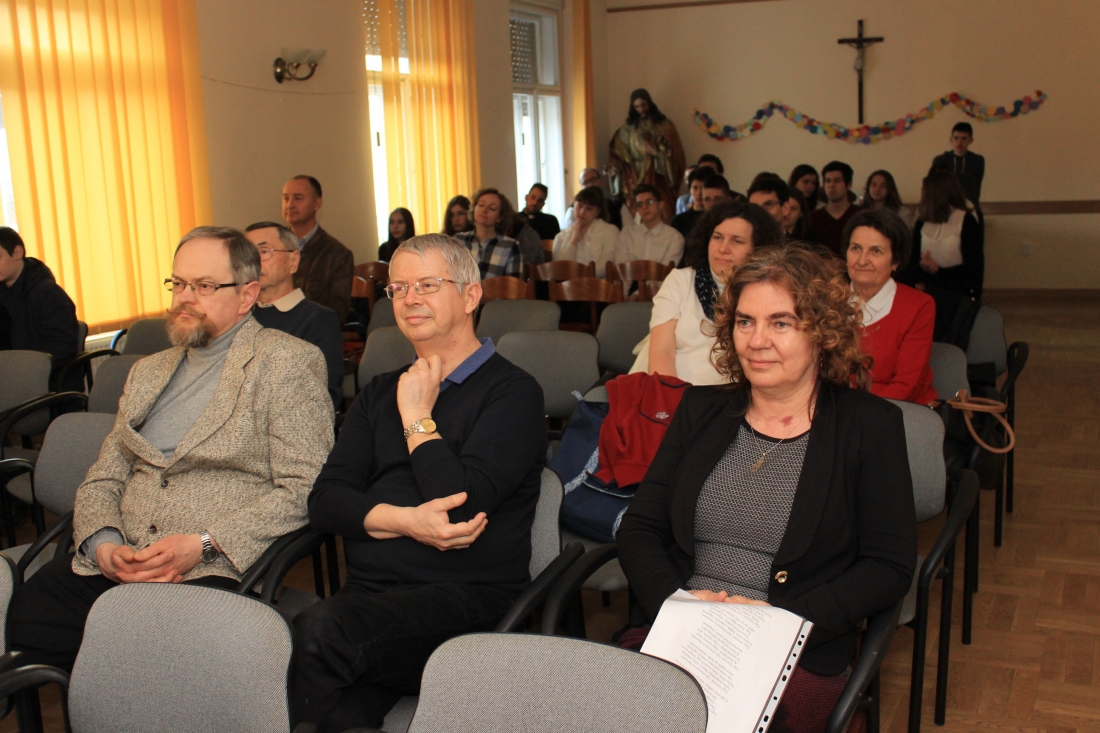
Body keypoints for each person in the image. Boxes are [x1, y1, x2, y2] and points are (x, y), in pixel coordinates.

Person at [618, 243, 917, 733]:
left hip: (792, 646)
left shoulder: (870, 426)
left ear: (821, 332)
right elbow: (640, 528)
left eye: (781, 323)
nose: (757, 341)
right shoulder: (700, 410)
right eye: (745, 321)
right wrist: (679, 607)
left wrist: (775, 622)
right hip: (680, 629)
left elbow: (888, 566)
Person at [7, 226, 334, 672]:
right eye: (178, 283)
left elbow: (306, 488)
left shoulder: (288, 362)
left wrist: (204, 544)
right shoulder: (147, 371)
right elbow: (105, 475)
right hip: (121, 559)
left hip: (206, 568)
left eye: (204, 286)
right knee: (31, 618)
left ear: (247, 294)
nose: (185, 298)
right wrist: (104, 545)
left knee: (144, 657)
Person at [290, 234, 546, 731]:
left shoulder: (513, 392)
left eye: (428, 285)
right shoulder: (379, 391)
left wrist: (416, 417)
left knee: (320, 634)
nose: (410, 299)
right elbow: (325, 501)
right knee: (329, 708)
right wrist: (407, 522)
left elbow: (457, 507)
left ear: (471, 296)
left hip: (468, 601)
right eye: (399, 288)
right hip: (372, 599)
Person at [630, 200, 782, 386]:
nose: (723, 249)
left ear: (757, 248)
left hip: (732, 393)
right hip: (669, 389)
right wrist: (674, 400)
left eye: (737, 241)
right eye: (717, 237)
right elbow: (661, 352)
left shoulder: (766, 290)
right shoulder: (680, 280)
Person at [245, 222, 345, 411]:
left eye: (264, 251)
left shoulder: (319, 320)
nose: (254, 262)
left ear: (293, 261)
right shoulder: (238, 317)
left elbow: (325, 399)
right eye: (248, 254)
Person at [843, 209, 937, 405]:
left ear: (895, 261)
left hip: (902, 412)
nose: (862, 260)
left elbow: (905, 386)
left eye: (876, 251)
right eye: (856, 248)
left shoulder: (918, 306)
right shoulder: (828, 301)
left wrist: (847, 402)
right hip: (837, 411)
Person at [0, 227, 81, 391]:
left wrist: (17, 369)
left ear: (17, 252)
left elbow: (62, 347)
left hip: (46, 384)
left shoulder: (49, 294)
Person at [900, 169, 984, 299]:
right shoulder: (922, 222)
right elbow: (913, 259)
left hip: (956, 291)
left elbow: (974, 267)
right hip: (926, 290)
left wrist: (938, 270)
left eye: (925, 190)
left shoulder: (966, 221)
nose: (922, 195)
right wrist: (922, 265)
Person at [282, 175, 354, 322]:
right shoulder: (272, 248)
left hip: (310, 330)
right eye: (285, 198)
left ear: (317, 204)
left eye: (298, 198)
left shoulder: (338, 255)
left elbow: (336, 313)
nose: (289, 205)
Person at [609, 89, 686, 222]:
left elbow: (676, 156)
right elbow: (618, 156)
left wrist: (658, 153)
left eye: (644, 105)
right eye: (637, 107)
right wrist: (614, 170)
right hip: (636, 177)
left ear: (650, 103)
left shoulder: (665, 126)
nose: (641, 110)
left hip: (659, 177)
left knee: (664, 213)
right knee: (638, 217)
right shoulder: (627, 130)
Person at [453, 189, 524, 279]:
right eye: (481, 205)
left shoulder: (511, 246)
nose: (484, 210)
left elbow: (514, 285)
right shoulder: (458, 240)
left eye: (492, 208)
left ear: (500, 217)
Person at [552, 187, 620, 278]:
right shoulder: (560, 236)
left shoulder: (610, 231)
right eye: (579, 206)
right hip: (567, 284)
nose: (582, 212)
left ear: (597, 211)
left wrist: (579, 276)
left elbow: (605, 267)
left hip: (598, 284)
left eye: (589, 208)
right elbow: (560, 270)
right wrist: (574, 239)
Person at [615, 185, 685, 266]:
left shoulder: (674, 237)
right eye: (640, 204)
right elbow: (622, 268)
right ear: (637, 210)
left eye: (649, 202)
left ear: (660, 205)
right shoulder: (627, 234)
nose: (644, 207)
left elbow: (665, 270)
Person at [931, 122, 984, 216]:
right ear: (951, 139)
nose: (959, 143)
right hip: (946, 209)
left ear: (970, 140)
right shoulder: (940, 160)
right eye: (956, 138)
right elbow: (935, 188)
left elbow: (976, 187)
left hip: (970, 208)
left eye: (964, 138)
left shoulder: (977, 160)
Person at [810, 161, 861, 258]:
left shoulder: (861, 216)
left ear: (849, 185)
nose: (831, 185)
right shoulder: (813, 218)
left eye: (837, 181)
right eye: (828, 181)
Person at [563, 167, 628, 230]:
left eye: (593, 179)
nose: (590, 184)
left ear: (600, 181)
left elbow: (630, 230)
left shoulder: (618, 205)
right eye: (585, 182)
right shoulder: (573, 208)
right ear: (581, 186)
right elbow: (569, 232)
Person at [670, 167, 712, 238]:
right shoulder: (679, 221)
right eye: (695, 188)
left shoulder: (715, 218)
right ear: (690, 190)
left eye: (703, 188)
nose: (699, 193)